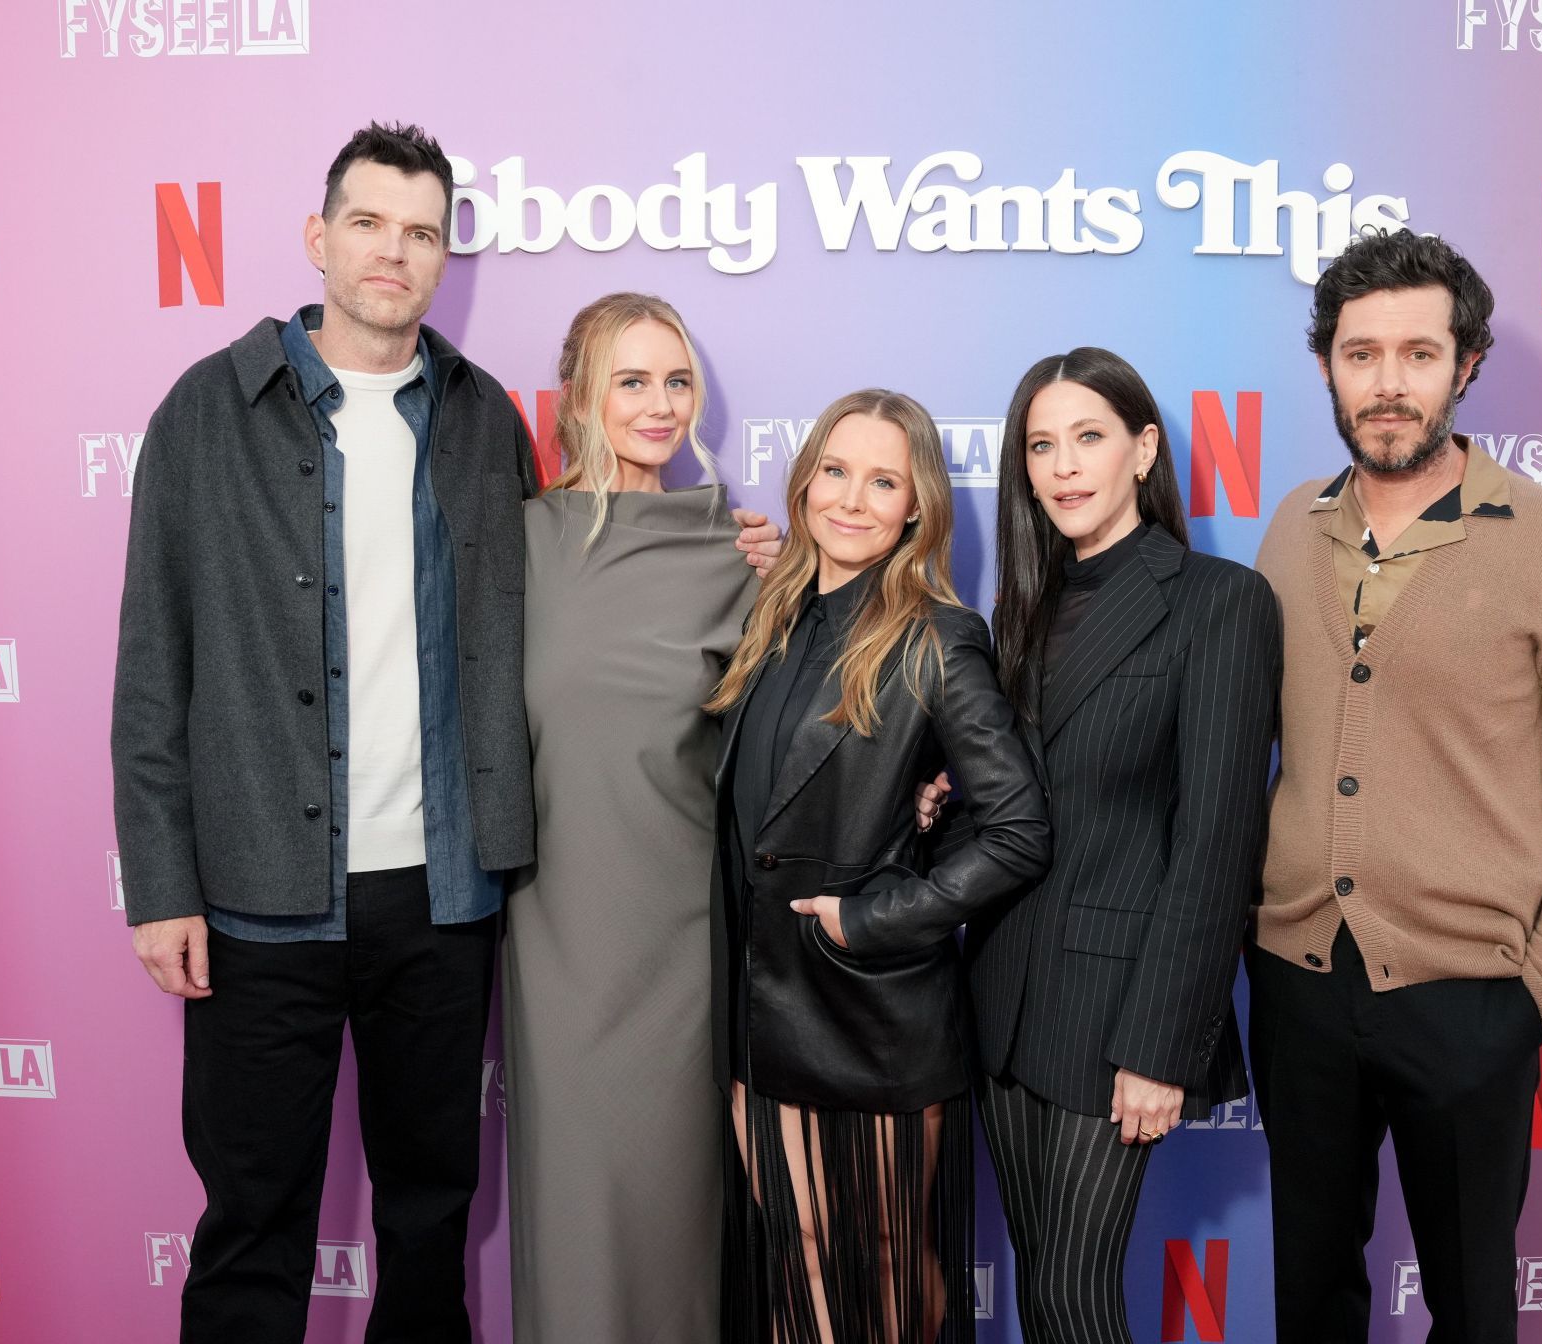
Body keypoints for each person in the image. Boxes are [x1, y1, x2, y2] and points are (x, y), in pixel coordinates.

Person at [112, 125, 778, 1342]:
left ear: (443, 258)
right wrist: (161, 885)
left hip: (443, 894)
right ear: (319, 239)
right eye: (368, 224)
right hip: (262, 899)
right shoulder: (210, 410)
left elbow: (586, 596)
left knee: (430, 1221)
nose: (394, 252)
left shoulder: (478, 421)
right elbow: (154, 665)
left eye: (421, 232)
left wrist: (736, 555)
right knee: (255, 1221)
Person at [1250, 228, 1542, 1343]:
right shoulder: (1291, 527)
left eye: (1418, 354)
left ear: (1465, 366)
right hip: (1298, 984)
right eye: (1361, 353)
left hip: (1473, 997)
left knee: (1472, 1309)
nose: (1388, 384)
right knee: (1311, 1300)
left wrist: (1541, 989)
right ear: (1326, 364)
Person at [706, 389, 1050, 1343]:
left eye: (884, 480)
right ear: (807, 477)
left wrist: (874, 917)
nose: (853, 499)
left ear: (917, 508)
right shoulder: (770, 618)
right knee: (795, 1251)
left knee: (890, 1265)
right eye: (837, 470)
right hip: (757, 1009)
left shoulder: (939, 636)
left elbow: (1017, 829)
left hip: (873, 1010)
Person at [962, 348, 1280, 1342]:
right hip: (1003, 996)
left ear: (1142, 450)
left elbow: (1216, 847)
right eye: (1041, 445)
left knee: (1073, 1294)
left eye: (1088, 438)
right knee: (1038, 1283)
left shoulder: (1218, 602)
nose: (1062, 466)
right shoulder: (1021, 611)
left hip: (1117, 1015)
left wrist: (1160, 1047)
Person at [503, 291, 756, 1343]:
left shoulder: (736, 552)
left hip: (687, 950)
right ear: (580, 398)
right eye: (633, 380)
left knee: (678, 1225)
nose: (660, 405)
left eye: (678, 381)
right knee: (573, 1225)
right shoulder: (516, 545)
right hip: (555, 940)